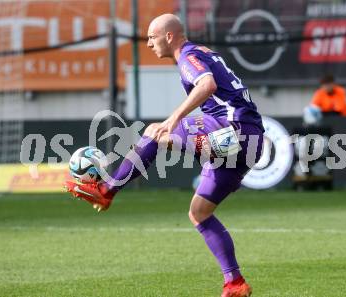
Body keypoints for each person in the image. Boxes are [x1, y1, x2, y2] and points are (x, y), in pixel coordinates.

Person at [65, 13, 264, 297]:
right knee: (199, 213)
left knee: (156, 131)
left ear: (169, 36)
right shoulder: (203, 52)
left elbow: (206, 85)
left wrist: (173, 119)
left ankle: (108, 188)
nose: (148, 43)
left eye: (151, 37)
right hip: (248, 144)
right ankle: (235, 283)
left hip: (235, 128)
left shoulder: (188, 55)